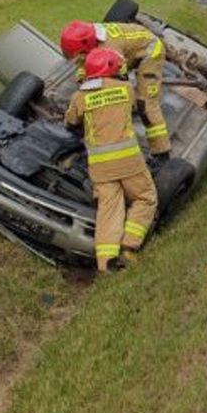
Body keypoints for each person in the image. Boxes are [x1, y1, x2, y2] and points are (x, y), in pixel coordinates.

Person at [64, 48, 158, 272]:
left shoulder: (80, 97)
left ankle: (106, 264)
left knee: (108, 212)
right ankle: (128, 247)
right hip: (129, 163)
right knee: (145, 198)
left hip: (100, 168)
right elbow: (138, 108)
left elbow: (70, 123)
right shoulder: (125, 89)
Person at [59, 19, 171, 163]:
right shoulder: (89, 39)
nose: (72, 58)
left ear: (87, 46)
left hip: (150, 52)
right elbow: (84, 63)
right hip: (129, 49)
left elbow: (117, 84)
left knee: (145, 103)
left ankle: (161, 153)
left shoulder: (111, 49)